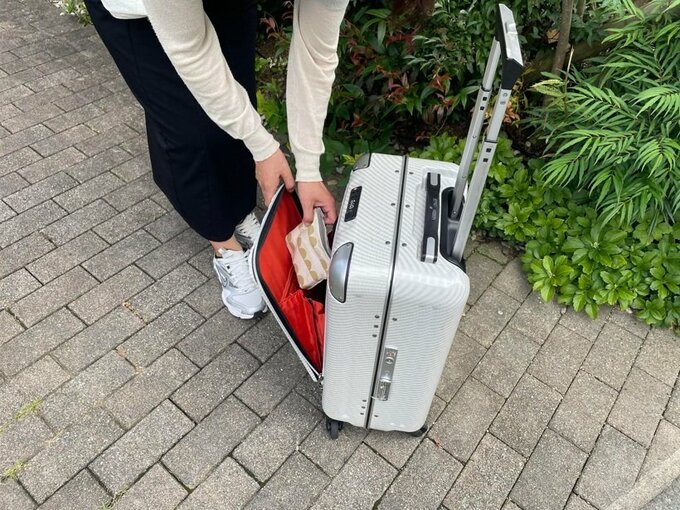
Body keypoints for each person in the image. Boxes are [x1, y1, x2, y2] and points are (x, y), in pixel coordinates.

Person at [84, 0, 432, 319]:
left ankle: (238, 213)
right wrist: (263, 147)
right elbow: (189, 49)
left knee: (238, 102)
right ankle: (223, 242)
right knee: (190, 130)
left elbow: (315, 53)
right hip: (138, 11)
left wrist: (308, 169)